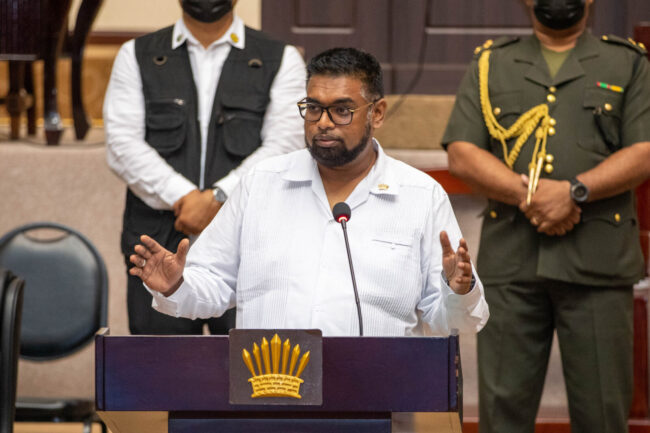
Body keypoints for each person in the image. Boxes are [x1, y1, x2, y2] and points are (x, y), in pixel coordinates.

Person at [128, 47, 489, 337]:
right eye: (313, 108)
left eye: (342, 110)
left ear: (377, 113)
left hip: (378, 393)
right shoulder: (261, 184)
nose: (323, 123)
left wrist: (459, 291)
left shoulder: (420, 196)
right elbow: (213, 286)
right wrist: (176, 285)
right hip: (269, 388)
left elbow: (452, 323)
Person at [442, 0, 650, 432]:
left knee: (603, 414)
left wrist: (574, 192)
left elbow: (644, 151)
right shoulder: (492, 63)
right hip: (513, 261)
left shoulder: (627, 62)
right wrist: (531, 196)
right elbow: (462, 152)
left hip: (598, 263)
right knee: (502, 415)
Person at [103, 0, 305, 335]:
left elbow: (285, 145)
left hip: (248, 246)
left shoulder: (281, 58)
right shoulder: (136, 54)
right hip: (158, 246)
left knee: (250, 364)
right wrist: (183, 197)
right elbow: (122, 143)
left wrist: (220, 199)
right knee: (161, 365)